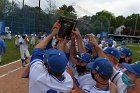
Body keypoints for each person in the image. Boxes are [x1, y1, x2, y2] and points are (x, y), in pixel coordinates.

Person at [29, 21, 73, 93]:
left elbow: (37, 49)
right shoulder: (68, 83)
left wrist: (53, 33)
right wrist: (63, 42)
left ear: (47, 66)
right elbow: (60, 58)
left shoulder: (38, 75)